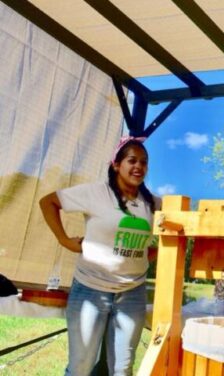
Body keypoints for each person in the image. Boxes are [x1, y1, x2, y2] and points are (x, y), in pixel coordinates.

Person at [40, 136, 160, 375]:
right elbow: (48, 202)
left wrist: (149, 254)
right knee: (82, 365)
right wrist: (64, 240)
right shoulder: (95, 193)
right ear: (116, 164)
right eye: (132, 160)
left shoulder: (152, 203)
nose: (139, 167)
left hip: (132, 293)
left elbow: (172, 233)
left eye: (144, 162)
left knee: (122, 369)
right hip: (90, 288)